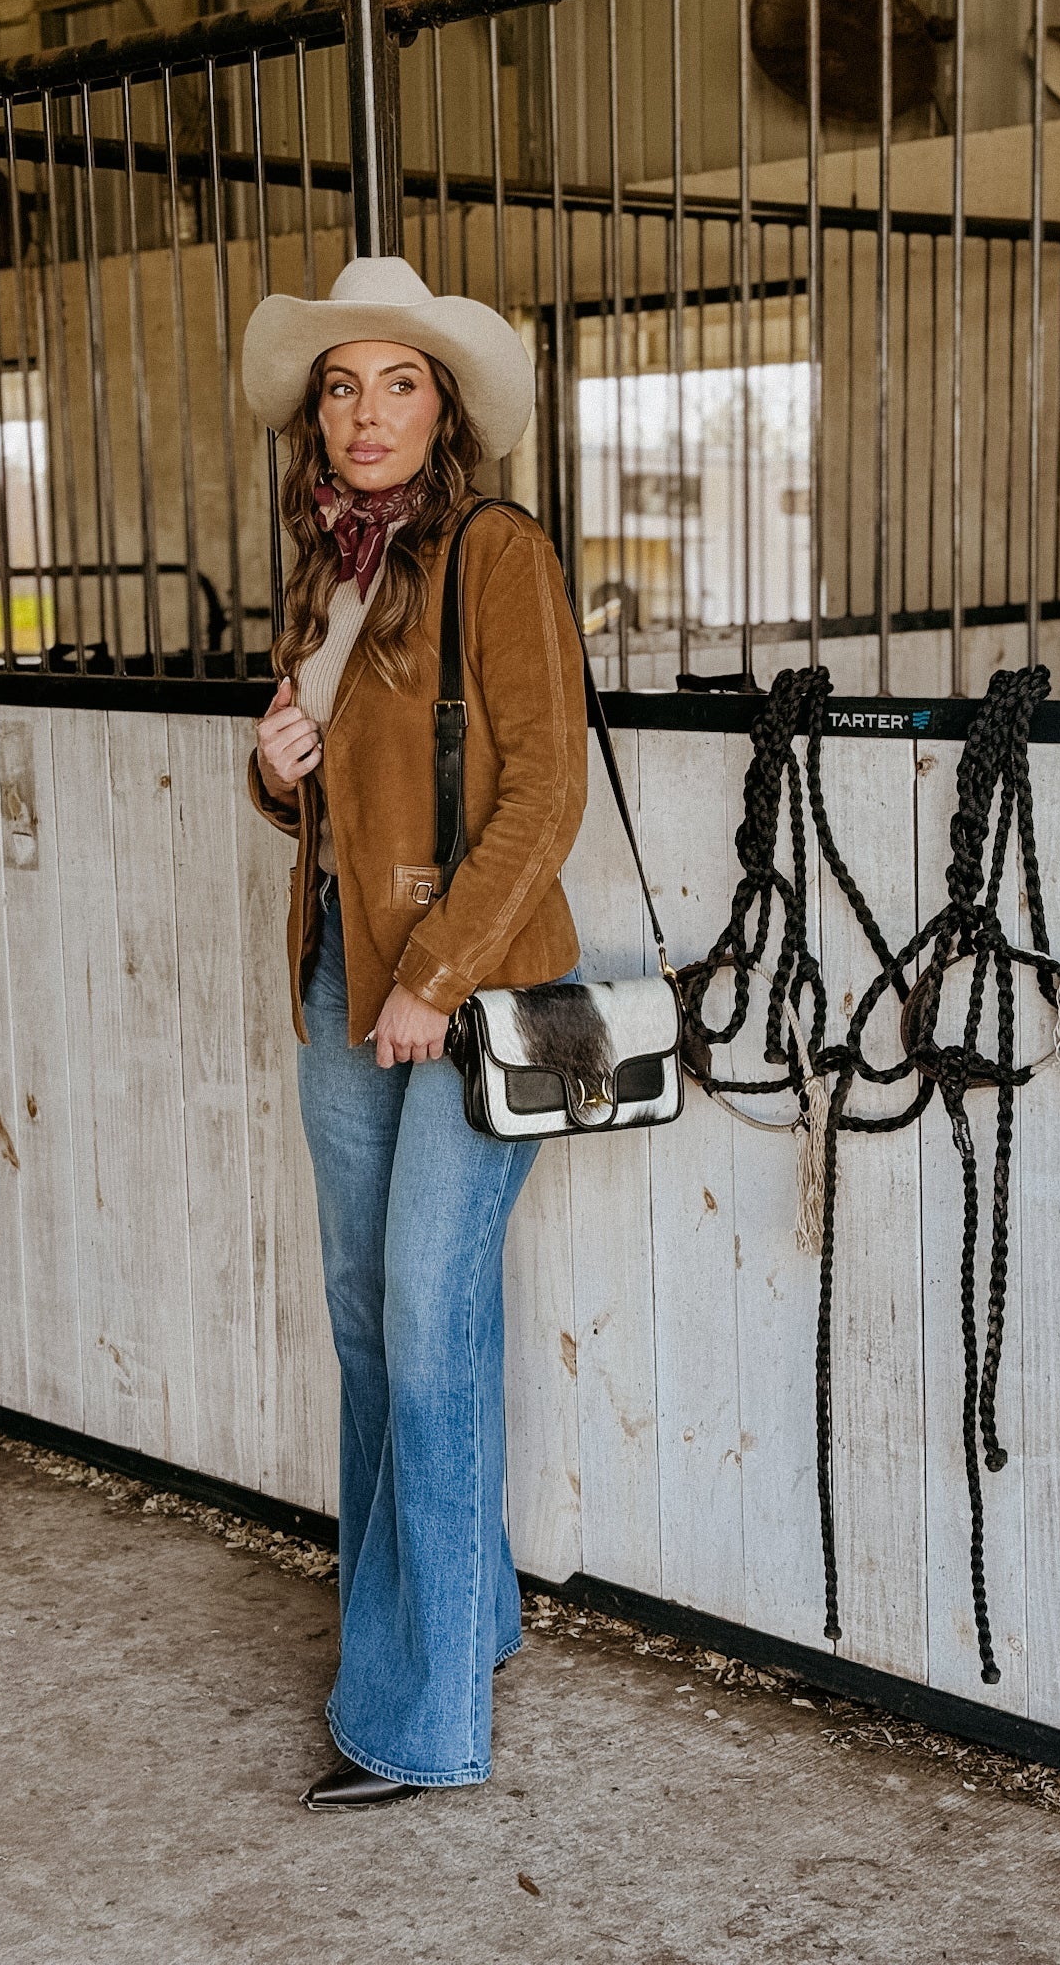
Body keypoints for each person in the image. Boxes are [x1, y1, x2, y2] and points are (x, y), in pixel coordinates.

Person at [240, 256, 588, 1809]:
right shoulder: (329, 561)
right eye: (341, 384)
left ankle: (414, 1721)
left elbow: (545, 793)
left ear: (443, 407)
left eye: (398, 382)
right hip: (338, 979)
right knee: (377, 1326)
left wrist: (432, 978)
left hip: (463, 995)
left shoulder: (496, 553)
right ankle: (471, 1622)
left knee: (428, 1340)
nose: (366, 412)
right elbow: (329, 791)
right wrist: (271, 766)